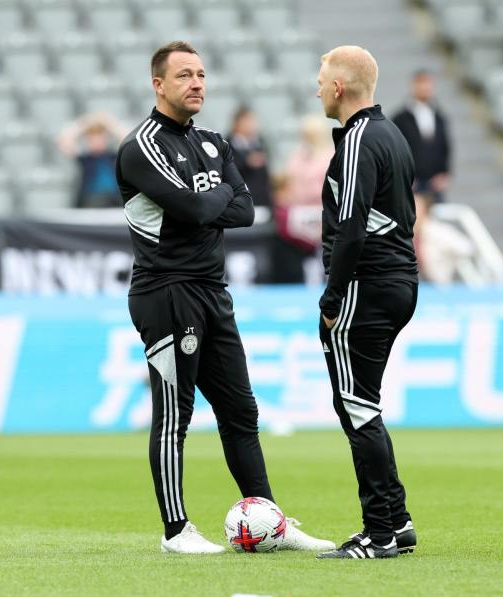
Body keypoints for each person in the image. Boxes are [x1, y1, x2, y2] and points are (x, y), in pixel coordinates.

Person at [115, 41, 333, 555]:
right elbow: (201, 209)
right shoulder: (141, 145)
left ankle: (269, 522)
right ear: (159, 85)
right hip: (167, 292)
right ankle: (176, 531)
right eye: (185, 75)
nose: (196, 83)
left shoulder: (214, 141)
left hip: (213, 291)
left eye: (202, 74)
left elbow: (247, 211)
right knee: (175, 415)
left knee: (242, 413)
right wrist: (212, 200)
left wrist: (205, 202)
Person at [312, 45, 419, 560]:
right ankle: (397, 521)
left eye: (321, 78)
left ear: (338, 87)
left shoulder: (357, 141)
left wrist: (332, 295)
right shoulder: (393, 135)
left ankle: (379, 533)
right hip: (399, 281)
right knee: (364, 403)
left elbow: (352, 227)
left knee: (356, 406)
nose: (317, 87)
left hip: (366, 286)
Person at [271, 115, 334, 283]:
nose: (308, 138)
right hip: (299, 213)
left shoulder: (332, 156)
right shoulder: (296, 156)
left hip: (324, 213)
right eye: (305, 134)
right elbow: (289, 184)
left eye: (312, 134)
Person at [391, 69, 452, 203]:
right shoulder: (400, 118)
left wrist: (444, 173)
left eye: (428, 83)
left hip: (435, 184)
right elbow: (395, 150)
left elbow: (445, 146)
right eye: (421, 82)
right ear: (413, 85)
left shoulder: (439, 116)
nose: (425, 87)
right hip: (412, 184)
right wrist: (404, 177)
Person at [57, 112, 124, 208]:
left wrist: (108, 122)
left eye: (100, 138)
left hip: (115, 201)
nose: (97, 142)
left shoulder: (113, 156)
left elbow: (130, 139)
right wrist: (85, 122)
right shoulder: (84, 158)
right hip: (90, 201)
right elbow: (63, 140)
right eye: (92, 139)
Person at [413, 193, 473, 285]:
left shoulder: (439, 232)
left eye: (416, 207)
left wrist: (445, 253)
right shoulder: (402, 232)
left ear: (425, 209)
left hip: (438, 286)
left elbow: (466, 248)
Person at [225, 107, 272, 209]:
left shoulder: (260, 143)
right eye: (247, 121)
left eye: (253, 120)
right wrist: (247, 163)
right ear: (237, 123)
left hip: (261, 202)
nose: (252, 125)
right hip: (238, 203)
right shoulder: (225, 144)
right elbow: (225, 172)